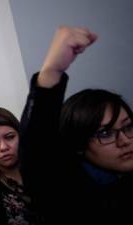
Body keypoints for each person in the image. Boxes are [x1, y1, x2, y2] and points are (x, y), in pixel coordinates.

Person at [19, 26, 133, 224]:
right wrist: (51, 72)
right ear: (80, 145)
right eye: (105, 133)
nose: (124, 141)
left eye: (128, 127)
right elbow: (37, 156)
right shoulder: (70, 194)